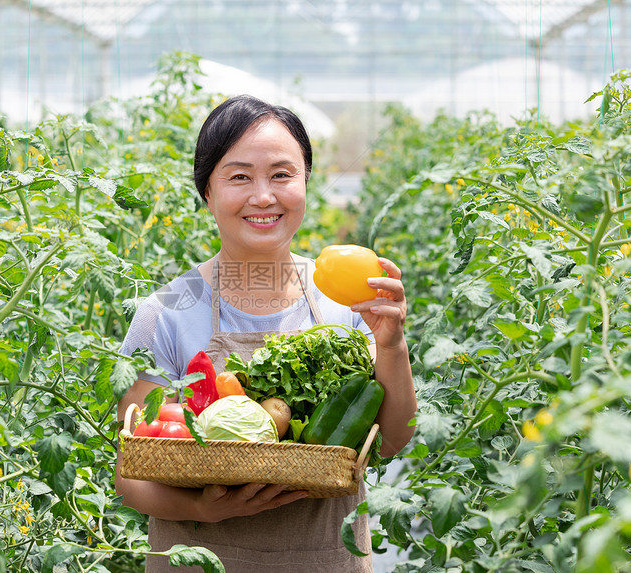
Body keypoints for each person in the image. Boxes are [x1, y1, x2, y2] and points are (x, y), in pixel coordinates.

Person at [116, 94, 416, 572]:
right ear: (208, 192)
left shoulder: (349, 297)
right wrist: (200, 508)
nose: (263, 196)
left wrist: (391, 342)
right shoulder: (165, 312)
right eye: (239, 177)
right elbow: (130, 475)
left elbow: (392, 441)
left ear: (305, 184)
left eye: (282, 175)